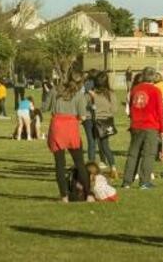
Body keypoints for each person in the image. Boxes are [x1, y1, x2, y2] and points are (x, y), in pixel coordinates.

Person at [47, 71, 90, 203]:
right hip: (71, 127)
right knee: (80, 163)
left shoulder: (55, 91)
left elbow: (45, 106)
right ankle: (89, 195)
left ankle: (64, 196)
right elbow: (82, 116)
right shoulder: (79, 95)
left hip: (57, 126)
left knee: (60, 164)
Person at [122, 68, 163, 190]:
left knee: (133, 154)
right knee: (148, 154)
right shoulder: (156, 91)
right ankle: (144, 181)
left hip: (136, 125)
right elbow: (160, 111)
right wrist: (162, 130)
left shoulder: (135, 89)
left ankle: (127, 181)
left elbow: (130, 107)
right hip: (150, 126)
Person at [90, 72, 118, 175]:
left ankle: (92, 167)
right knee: (105, 145)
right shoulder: (111, 94)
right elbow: (114, 109)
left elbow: (90, 107)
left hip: (96, 121)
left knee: (93, 144)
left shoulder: (93, 94)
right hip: (107, 121)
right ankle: (113, 167)